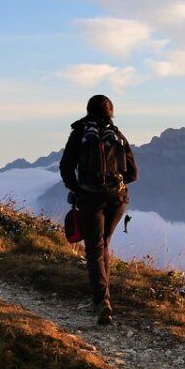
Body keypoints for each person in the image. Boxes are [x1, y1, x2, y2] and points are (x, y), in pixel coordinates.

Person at [59, 94, 138, 326]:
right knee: (104, 244)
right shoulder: (117, 135)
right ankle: (104, 297)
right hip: (117, 199)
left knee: (94, 249)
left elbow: (66, 166)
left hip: (90, 199)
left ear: (88, 110)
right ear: (111, 111)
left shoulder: (80, 133)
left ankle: (102, 301)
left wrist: (77, 189)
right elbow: (133, 174)